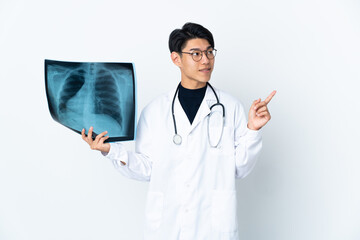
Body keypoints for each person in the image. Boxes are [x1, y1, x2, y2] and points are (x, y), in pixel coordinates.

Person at [82, 22, 276, 240]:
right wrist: (111, 151)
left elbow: (240, 169)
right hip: (167, 227)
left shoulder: (230, 108)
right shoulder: (155, 111)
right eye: (196, 54)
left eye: (210, 52)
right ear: (176, 59)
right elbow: (147, 168)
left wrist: (252, 130)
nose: (206, 60)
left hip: (213, 229)